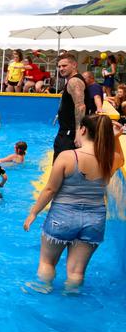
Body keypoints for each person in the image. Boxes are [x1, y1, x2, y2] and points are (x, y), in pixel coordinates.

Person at [23, 115, 123, 292]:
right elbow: (120, 158)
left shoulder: (68, 156)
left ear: (83, 130)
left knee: (47, 263)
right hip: (94, 221)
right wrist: (114, 138)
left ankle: (42, 291)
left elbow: (50, 190)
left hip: (62, 217)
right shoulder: (109, 160)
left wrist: (33, 213)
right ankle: (70, 296)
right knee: (76, 273)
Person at [54, 53, 89, 161]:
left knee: (62, 166)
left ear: (74, 65)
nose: (61, 69)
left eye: (64, 66)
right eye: (59, 66)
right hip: (68, 130)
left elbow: (80, 106)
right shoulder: (73, 80)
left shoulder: (74, 81)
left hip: (70, 133)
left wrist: (78, 131)